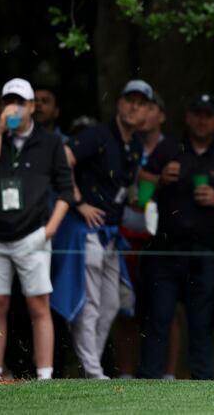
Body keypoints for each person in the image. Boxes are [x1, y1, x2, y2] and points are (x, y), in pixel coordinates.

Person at [137, 93, 214, 380]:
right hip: (165, 250)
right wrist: (160, 179)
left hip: (204, 251)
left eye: (208, 115)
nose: (202, 120)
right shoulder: (169, 148)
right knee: (159, 317)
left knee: (202, 322)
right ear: (188, 117)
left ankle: (202, 381)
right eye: (197, 113)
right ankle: (149, 379)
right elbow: (142, 188)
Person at [58, 79, 151, 379]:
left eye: (141, 102)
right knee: (92, 301)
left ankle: (91, 366)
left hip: (112, 233)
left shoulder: (135, 145)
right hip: (84, 229)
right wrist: (78, 200)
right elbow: (63, 157)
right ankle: (94, 370)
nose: (134, 106)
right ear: (119, 103)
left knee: (112, 304)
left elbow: (124, 188)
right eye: (129, 99)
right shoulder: (97, 135)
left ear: (148, 111)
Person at [0, 78, 73, 380]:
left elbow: (66, 190)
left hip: (33, 235)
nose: (14, 108)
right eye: (8, 101)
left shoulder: (50, 143)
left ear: (32, 107)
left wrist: (49, 230)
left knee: (38, 303)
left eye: (20, 103)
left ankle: (44, 375)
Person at [115, 92, 170, 378]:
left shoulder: (173, 147)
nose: (142, 112)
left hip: (159, 241)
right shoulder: (124, 144)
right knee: (126, 308)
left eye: (149, 106)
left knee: (162, 308)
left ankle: (166, 374)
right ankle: (125, 373)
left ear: (160, 113)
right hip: (125, 234)